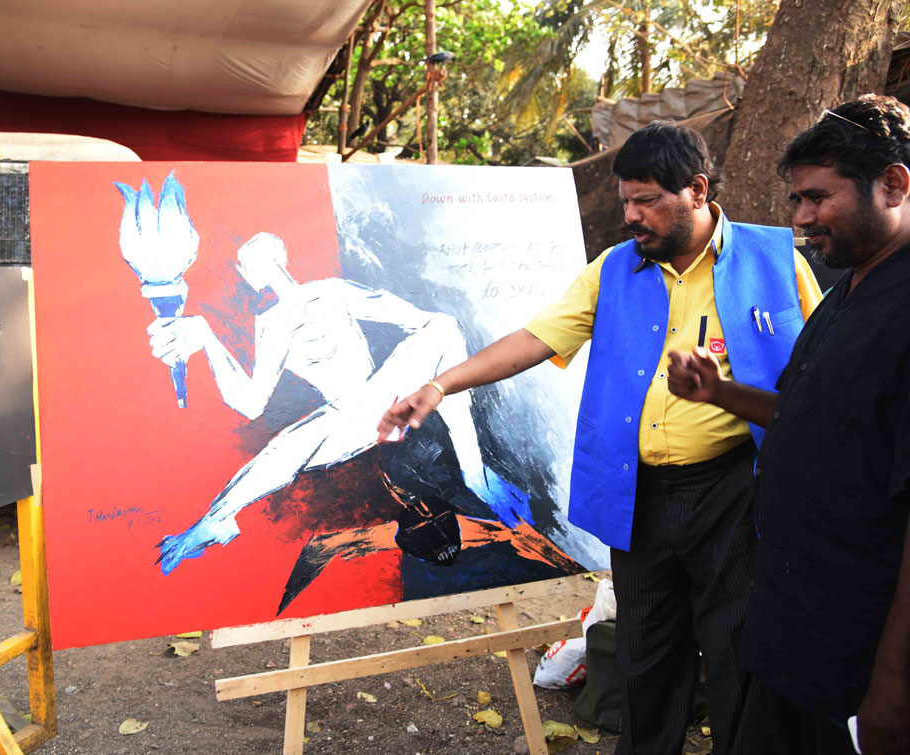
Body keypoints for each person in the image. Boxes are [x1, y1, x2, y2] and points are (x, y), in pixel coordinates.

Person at [379, 121, 822, 754]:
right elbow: (534, 340)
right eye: (625, 203)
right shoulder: (614, 270)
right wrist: (442, 385)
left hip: (735, 491)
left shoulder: (776, 262)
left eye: (647, 202)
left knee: (737, 655)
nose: (632, 218)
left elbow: (815, 374)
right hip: (637, 495)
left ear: (696, 191)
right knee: (644, 659)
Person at [668, 94, 910, 755]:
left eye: (817, 198)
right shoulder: (846, 292)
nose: (801, 219)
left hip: (863, 665)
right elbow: (811, 419)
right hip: (794, 632)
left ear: (893, 183)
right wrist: (720, 392)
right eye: (796, 200)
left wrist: (893, 683)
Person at [146, 231, 529, 574]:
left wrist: (206, 339)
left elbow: (248, 403)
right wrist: (206, 339)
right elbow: (251, 404)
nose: (244, 273)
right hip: (353, 416)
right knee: (288, 446)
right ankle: (217, 518)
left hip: (381, 397)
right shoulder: (307, 304)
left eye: (246, 265)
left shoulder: (302, 308)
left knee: (443, 328)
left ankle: (476, 475)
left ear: (265, 265)